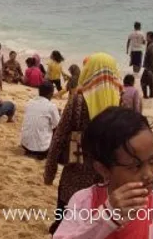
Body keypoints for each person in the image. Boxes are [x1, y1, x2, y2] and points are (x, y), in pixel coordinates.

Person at [54, 107, 153, 238]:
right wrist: (106, 218)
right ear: (103, 169)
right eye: (136, 166)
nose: (149, 174)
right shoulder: (84, 202)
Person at [44, 52, 123, 235]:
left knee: (64, 225)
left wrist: (50, 172)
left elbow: (59, 137)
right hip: (107, 182)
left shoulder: (78, 101)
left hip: (75, 178)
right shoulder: (120, 102)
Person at [21, 81, 60, 160]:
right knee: (58, 128)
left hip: (25, 145)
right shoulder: (51, 106)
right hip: (41, 149)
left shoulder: (30, 102)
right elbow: (57, 125)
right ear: (50, 94)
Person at [141, 31, 153, 99]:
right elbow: (145, 43)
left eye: (147, 36)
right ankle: (151, 95)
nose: (146, 38)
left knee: (142, 81)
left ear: (150, 37)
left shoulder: (152, 46)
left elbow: (152, 58)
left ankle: (145, 96)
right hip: (149, 67)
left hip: (149, 67)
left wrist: (150, 69)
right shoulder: (151, 44)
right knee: (150, 81)